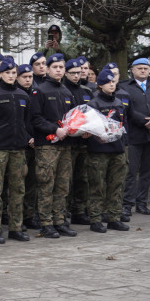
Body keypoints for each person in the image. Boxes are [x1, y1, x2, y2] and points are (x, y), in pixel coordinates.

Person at [0, 59, 32, 244]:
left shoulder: (23, 95)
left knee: (18, 189)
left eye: (13, 73)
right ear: (0, 74)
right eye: (7, 73)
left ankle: (16, 228)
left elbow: (27, 121)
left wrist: (25, 138)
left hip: (18, 150)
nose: (10, 76)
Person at [29, 53, 77, 239]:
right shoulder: (39, 91)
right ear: (48, 70)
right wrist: (54, 129)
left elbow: (73, 117)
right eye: (55, 67)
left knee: (62, 185)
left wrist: (78, 129)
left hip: (65, 145)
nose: (58, 70)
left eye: (61, 67)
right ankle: (46, 223)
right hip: (47, 145)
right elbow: (35, 118)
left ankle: (59, 220)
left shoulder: (66, 92)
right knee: (46, 184)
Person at [85, 69, 130, 233]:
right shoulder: (93, 104)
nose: (111, 85)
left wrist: (124, 144)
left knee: (117, 185)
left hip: (117, 150)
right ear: (100, 85)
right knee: (97, 186)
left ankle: (114, 218)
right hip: (99, 151)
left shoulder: (119, 102)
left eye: (113, 82)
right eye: (107, 82)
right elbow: (89, 128)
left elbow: (124, 125)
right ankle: (96, 219)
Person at [122, 58, 150, 219]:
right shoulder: (125, 87)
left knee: (147, 172)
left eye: (145, 68)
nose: (143, 71)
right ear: (133, 70)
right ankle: (127, 204)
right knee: (131, 172)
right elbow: (128, 110)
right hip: (135, 134)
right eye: (139, 68)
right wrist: (144, 121)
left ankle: (142, 203)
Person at [63, 58, 93, 226]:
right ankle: (64, 211)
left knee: (83, 178)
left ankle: (79, 211)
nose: (76, 75)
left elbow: (92, 113)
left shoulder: (86, 91)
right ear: (66, 73)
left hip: (84, 141)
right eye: (73, 73)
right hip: (67, 142)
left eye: (79, 72)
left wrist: (90, 129)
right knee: (66, 180)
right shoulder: (63, 89)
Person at [16, 64, 39, 230]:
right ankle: (18, 217)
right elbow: (16, 122)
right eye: (24, 77)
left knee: (32, 183)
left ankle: (29, 215)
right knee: (19, 184)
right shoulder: (16, 94)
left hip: (35, 144)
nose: (28, 80)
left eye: (30, 77)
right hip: (21, 145)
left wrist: (36, 138)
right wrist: (27, 138)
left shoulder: (36, 94)